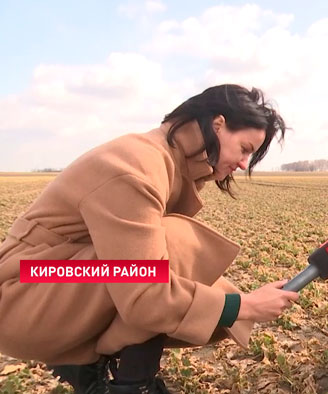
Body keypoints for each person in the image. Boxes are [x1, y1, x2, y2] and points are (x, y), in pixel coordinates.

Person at [0, 84, 300, 394]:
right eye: (245, 149)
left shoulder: (170, 162)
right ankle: (129, 385)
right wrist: (243, 307)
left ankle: (87, 367)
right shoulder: (137, 165)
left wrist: (235, 305)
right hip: (24, 289)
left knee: (199, 295)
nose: (242, 164)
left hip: (53, 278)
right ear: (218, 125)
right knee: (174, 245)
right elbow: (145, 292)